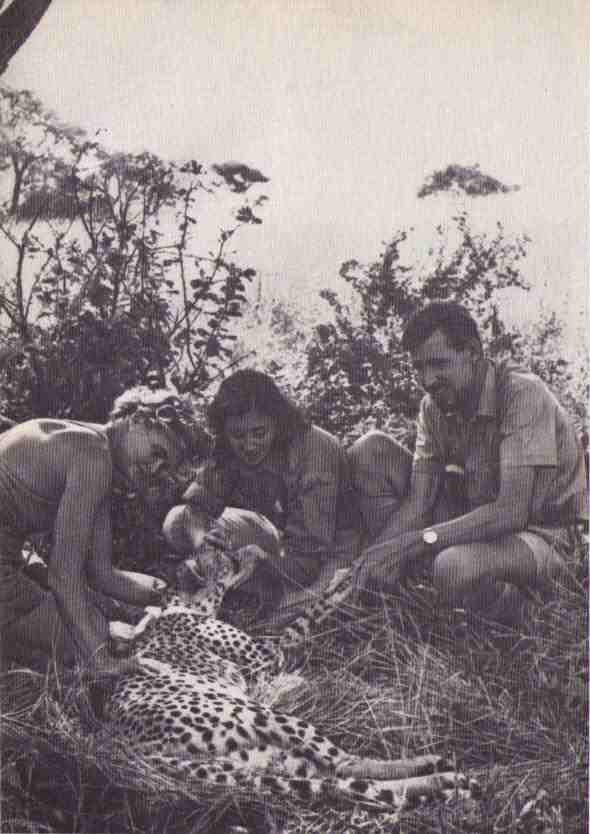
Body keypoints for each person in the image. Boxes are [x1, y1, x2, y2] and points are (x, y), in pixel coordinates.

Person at [351, 302, 587, 624]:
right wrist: (375, 556)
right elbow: (419, 502)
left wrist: (416, 543)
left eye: (438, 364)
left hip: (544, 536)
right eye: (418, 368)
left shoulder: (521, 393)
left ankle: (531, 614)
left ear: (472, 352)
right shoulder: (433, 406)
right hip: (480, 525)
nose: (427, 380)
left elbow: (511, 511)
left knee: (453, 567)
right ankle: (398, 589)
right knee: (371, 450)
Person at [0, 385, 210, 675]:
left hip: (12, 551)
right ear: (137, 420)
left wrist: (169, 594)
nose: (155, 469)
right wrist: (100, 660)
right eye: (157, 451)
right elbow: (63, 576)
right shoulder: (93, 457)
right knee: (97, 638)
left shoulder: (97, 450)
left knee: (98, 617)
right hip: (9, 556)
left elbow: (103, 574)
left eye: (165, 467)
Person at [163, 369, 361, 617]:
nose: (248, 446)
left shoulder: (314, 452)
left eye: (259, 433)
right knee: (176, 522)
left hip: (332, 553)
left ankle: (262, 593)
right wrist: (202, 543)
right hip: (283, 542)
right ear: (224, 429)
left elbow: (308, 561)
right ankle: (246, 586)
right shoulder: (227, 447)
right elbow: (195, 509)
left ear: (278, 422)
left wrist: (263, 562)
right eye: (237, 435)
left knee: (287, 618)